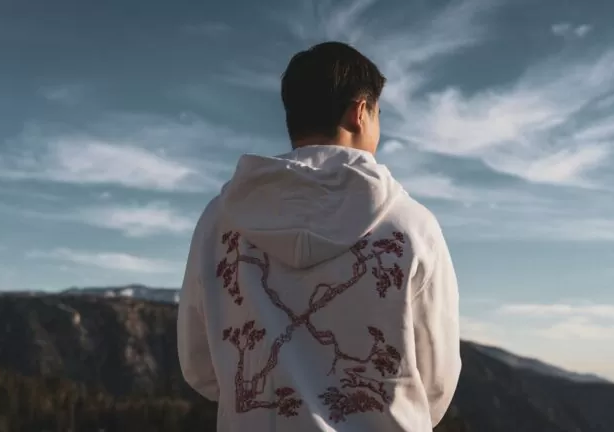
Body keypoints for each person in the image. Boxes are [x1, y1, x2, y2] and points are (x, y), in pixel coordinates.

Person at [177, 41, 461, 432]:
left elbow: (200, 366)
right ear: (359, 112)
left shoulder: (219, 221)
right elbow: (436, 378)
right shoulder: (411, 226)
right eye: (378, 115)